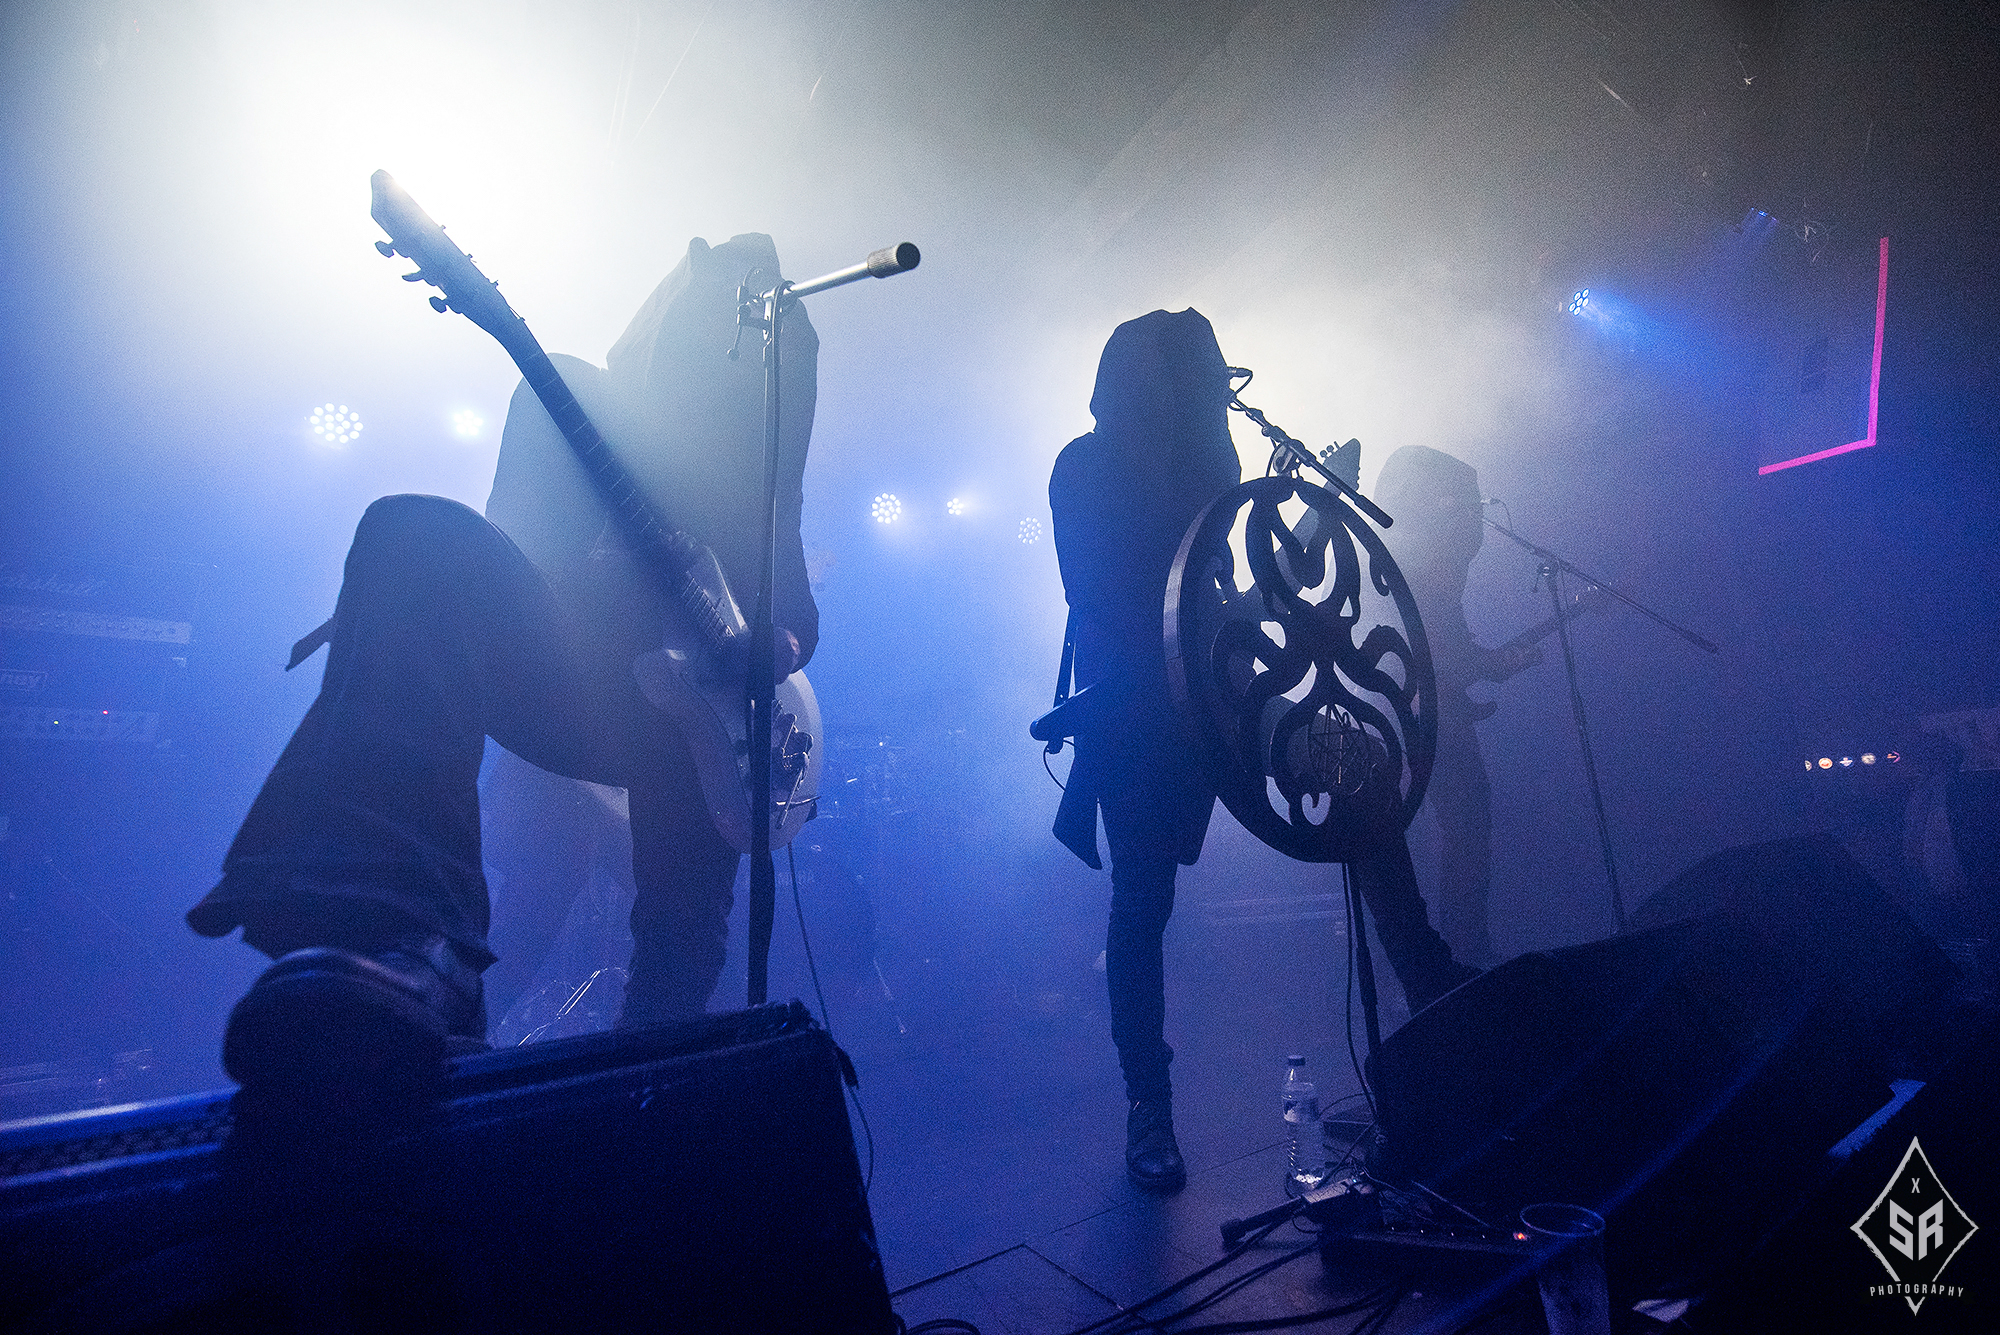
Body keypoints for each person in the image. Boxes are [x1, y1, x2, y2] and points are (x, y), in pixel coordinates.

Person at [187, 233, 818, 1112]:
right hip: (582, 679)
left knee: (680, 938)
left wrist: (776, 643)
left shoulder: (752, 464)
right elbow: (508, 553)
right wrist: (425, 585)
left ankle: (637, 1116)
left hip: (704, 718)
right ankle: (396, 941)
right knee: (412, 530)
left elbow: (796, 611)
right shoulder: (573, 397)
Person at [1371, 445, 1538, 967]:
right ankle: (1459, 953)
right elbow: (1432, 646)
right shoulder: (1420, 553)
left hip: (1413, 709)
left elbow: (1450, 643)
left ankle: (1448, 956)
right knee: (1462, 825)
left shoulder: (1425, 554)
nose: (1475, 521)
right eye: (1467, 505)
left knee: (1445, 828)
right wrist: (1489, 665)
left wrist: (1492, 664)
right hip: (1420, 713)